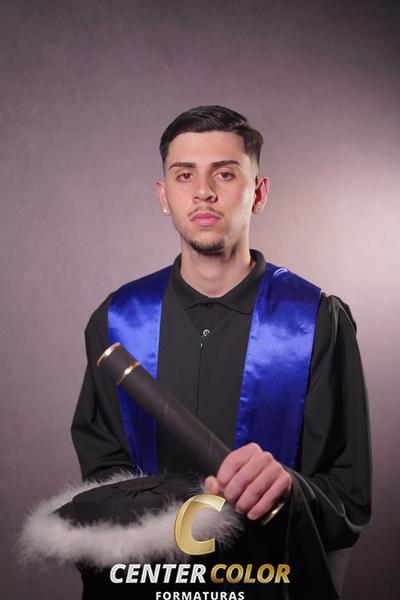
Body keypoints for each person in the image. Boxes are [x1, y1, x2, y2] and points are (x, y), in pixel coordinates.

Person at [71, 106, 371, 599]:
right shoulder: (118, 322)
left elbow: (347, 498)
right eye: (184, 174)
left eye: (225, 174)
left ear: (259, 192)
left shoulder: (315, 321)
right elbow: (103, 480)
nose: (203, 191)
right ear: (164, 195)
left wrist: (286, 488)